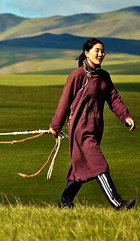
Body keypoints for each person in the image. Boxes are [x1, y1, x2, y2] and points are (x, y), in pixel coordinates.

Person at [49, 38, 136, 210]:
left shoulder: (104, 77)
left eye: (103, 51)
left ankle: (65, 203)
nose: (101, 54)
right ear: (86, 53)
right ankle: (118, 204)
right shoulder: (78, 75)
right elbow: (64, 103)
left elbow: (114, 99)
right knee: (99, 165)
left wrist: (125, 116)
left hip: (95, 130)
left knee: (79, 169)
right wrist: (56, 126)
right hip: (80, 130)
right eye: (97, 50)